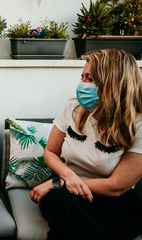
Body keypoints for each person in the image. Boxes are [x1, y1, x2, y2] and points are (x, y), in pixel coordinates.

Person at [30, 49, 142, 239]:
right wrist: (66, 177)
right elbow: (50, 152)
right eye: (82, 77)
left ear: (113, 82)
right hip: (66, 196)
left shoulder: (138, 123)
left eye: (90, 78)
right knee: (62, 204)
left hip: (113, 200)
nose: (82, 85)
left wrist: (58, 183)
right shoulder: (72, 108)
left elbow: (116, 186)